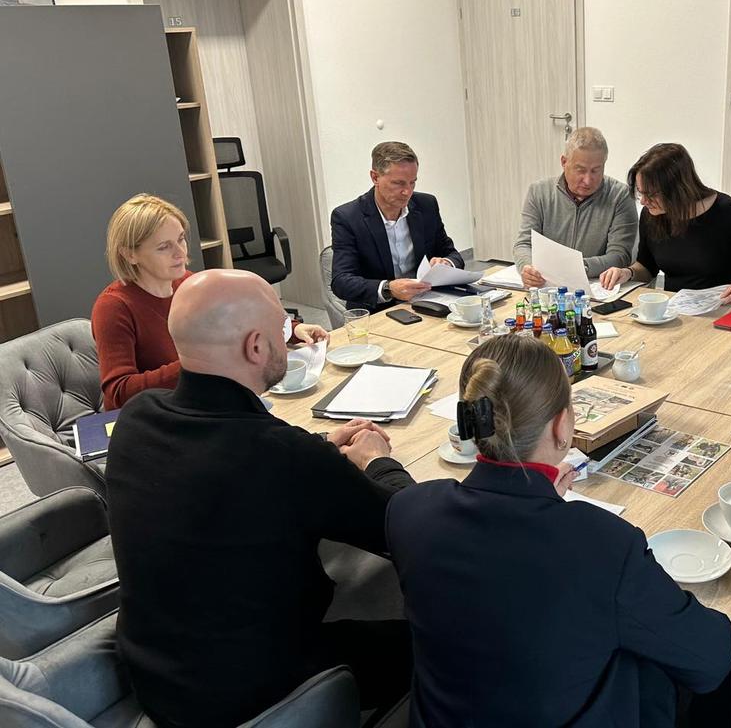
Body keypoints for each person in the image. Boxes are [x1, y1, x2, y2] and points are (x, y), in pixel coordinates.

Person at [107, 269, 413, 727]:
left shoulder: (136, 417)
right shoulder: (283, 456)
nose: (288, 338)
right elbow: (410, 526)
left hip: (152, 672)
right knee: (452, 639)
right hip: (249, 698)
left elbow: (228, 462)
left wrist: (320, 445)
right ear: (256, 346)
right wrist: (376, 461)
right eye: (282, 328)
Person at [386, 333, 731, 726]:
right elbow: (710, 661)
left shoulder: (409, 510)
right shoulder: (605, 545)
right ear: (562, 426)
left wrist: (535, 497)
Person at [92, 194, 326, 410]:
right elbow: (119, 394)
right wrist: (198, 363)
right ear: (129, 254)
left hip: (200, 401)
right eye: (164, 247)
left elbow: (239, 319)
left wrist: (292, 329)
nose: (180, 253)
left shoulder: (187, 282)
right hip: (161, 415)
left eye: (181, 239)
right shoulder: (113, 307)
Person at [599, 143, 731, 301]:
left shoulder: (727, 212)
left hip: (724, 308)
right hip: (676, 311)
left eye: (651, 194)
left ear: (678, 189)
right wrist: (627, 273)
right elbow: (647, 267)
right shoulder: (652, 215)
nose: (644, 201)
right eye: (640, 192)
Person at [330, 141, 463, 311]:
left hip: (427, 301)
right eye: (398, 183)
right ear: (375, 177)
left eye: (412, 182)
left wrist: (446, 263)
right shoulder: (347, 217)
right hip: (378, 309)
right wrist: (389, 289)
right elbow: (341, 281)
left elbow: (452, 254)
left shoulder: (426, 205)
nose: (407, 191)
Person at [513, 126, 638, 288]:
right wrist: (528, 268)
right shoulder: (539, 192)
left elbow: (620, 256)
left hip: (596, 286)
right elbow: (524, 244)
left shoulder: (620, 196)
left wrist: (578, 268)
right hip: (546, 285)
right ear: (564, 162)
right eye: (581, 170)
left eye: (595, 171)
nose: (588, 180)